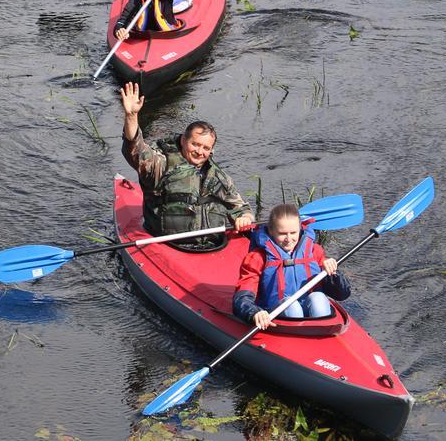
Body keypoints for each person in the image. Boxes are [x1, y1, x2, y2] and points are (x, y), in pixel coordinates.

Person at [120, 81, 254, 239]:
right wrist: (131, 116)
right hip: (167, 243)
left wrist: (245, 218)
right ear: (183, 140)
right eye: (195, 144)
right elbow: (136, 151)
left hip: (210, 246)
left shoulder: (219, 178)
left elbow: (241, 208)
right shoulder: (160, 165)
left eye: (206, 148)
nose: (200, 152)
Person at [233, 203, 352, 330]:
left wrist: (334, 274)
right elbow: (242, 298)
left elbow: (342, 294)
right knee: (292, 306)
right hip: (277, 316)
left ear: (300, 229)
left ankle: (324, 334)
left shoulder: (314, 251)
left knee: (318, 298)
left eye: (293, 232)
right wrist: (254, 312)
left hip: (316, 317)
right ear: (271, 231)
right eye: (282, 233)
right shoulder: (258, 257)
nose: (289, 239)